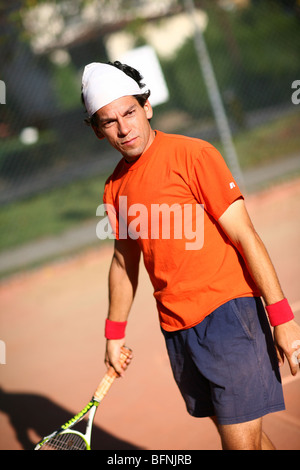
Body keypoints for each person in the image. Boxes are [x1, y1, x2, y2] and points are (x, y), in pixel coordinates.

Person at [81, 61, 300, 450]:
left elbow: (246, 236)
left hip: (230, 317)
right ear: (98, 130)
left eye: (129, 112)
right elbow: (123, 262)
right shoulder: (114, 188)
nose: (124, 128)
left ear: (147, 107)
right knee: (245, 438)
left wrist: (282, 319)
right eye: (109, 121)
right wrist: (113, 334)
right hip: (178, 328)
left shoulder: (193, 155)